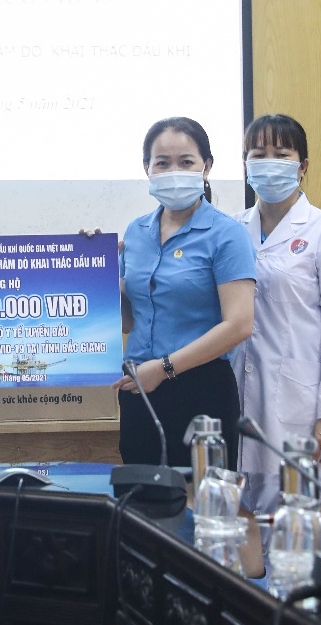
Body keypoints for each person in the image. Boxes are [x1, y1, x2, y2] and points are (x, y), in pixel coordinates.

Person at [113, 116, 256, 469]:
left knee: (202, 498)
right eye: (162, 163)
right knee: (140, 498)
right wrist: (93, 270)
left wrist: (164, 368)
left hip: (200, 388)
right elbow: (129, 320)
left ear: (206, 166)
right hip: (138, 387)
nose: (173, 171)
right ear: (147, 168)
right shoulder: (136, 231)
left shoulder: (227, 234)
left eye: (186, 162)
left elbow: (239, 325)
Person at [232, 114, 321, 476]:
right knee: (238, 504)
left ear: (303, 167)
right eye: (258, 155)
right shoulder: (231, 230)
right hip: (235, 397)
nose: (269, 163)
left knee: (298, 503)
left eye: (281, 154)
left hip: (298, 403)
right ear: (245, 165)